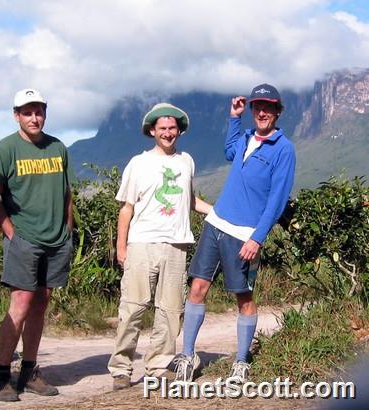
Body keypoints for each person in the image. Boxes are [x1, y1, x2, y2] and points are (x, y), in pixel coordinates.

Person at [173, 84, 296, 383]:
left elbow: (277, 200)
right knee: (198, 289)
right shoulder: (245, 137)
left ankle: (241, 361)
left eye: (268, 107)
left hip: (244, 235)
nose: (262, 112)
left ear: (277, 111)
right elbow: (228, 152)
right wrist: (233, 117)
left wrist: (257, 238)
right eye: (257, 107)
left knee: (243, 296)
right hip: (215, 224)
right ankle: (188, 356)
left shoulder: (283, 149)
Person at [107, 103, 212, 390]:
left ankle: (159, 364)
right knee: (133, 307)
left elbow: (189, 200)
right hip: (142, 243)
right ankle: (121, 368)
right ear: (152, 131)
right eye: (162, 128)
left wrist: (217, 213)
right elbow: (126, 208)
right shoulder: (138, 163)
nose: (168, 133)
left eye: (172, 127)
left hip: (177, 244)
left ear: (179, 130)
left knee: (170, 309)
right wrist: (121, 246)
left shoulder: (186, 161)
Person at [0, 88, 73, 402]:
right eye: (27, 112)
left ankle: (30, 371)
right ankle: (2, 374)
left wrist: (68, 231)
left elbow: (66, 194)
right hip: (24, 239)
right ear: (16, 115)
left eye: (39, 111)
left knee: (40, 305)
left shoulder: (58, 148)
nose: (34, 118)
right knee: (19, 306)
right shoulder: (6, 149)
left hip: (56, 240)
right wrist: (11, 232)